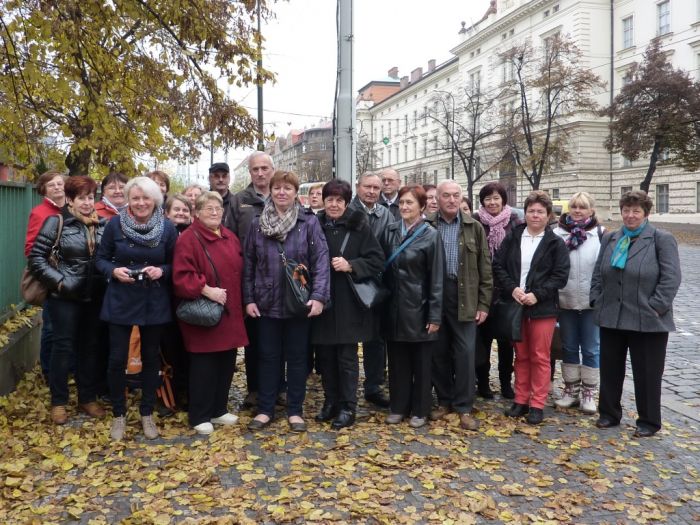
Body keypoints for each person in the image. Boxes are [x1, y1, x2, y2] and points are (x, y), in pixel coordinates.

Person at [244, 170, 330, 432]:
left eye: (288, 188)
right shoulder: (257, 224)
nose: (282, 193)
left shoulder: (308, 222)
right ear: (270, 191)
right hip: (266, 301)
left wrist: (318, 297)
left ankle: (295, 410)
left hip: (298, 301)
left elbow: (321, 261)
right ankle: (266, 409)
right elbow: (248, 264)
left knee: (297, 359)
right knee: (268, 357)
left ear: (296, 193)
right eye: (278, 188)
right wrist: (248, 298)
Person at [591, 190, 681, 438]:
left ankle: (649, 421)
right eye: (626, 210)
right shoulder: (611, 238)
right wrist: (596, 299)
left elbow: (671, 278)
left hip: (648, 318)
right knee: (610, 369)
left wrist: (656, 306)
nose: (630, 216)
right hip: (612, 315)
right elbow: (598, 273)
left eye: (636, 211)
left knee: (648, 372)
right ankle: (609, 414)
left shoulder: (661, 239)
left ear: (646, 213)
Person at [96, 176, 178, 441]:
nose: (141, 203)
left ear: (155, 200)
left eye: (146, 198)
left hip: (153, 300)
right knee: (117, 359)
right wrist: (113, 270)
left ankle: (147, 413)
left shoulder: (167, 228)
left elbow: (176, 264)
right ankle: (119, 414)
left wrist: (161, 270)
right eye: (136, 198)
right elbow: (100, 259)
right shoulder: (114, 224)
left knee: (151, 359)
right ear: (128, 200)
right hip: (121, 298)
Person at [28, 176, 106, 424]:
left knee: (89, 347)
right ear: (70, 200)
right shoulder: (57, 222)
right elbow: (36, 258)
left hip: (93, 297)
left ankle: (87, 397)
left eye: (90, 197)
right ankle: (59, 402)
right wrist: (60, 282)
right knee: (62, 348)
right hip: (64, 298)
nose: (86, 203)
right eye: (81, 198)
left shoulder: (100, 225)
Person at [173, 191, 249, 435]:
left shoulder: (229, 236)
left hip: (230, 311)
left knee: (226, 362)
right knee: (204, 365)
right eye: (209, 209)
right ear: (197, 213)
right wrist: (206, 290)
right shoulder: (189, 238)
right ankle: (199, 414)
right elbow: (181, 276)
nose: (215, 212)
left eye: (218, 208)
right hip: (205, 312)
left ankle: (218, 408)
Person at [311, 180, 384, 429]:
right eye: (329, 199)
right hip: (322, 299)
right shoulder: (315, 224)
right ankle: (330, 402)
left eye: (339, 200)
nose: (333, 204)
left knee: (346, 357)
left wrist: (351, 265)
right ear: (323, 200)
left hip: (348, 302)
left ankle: (348, 407)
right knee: (326, 357)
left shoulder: (359, 224)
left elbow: (376, 260)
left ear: (346, 202)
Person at [493, 190, 569, 425]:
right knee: (521, 355)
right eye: (531, 211)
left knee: (540, 356)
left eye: (540, 212)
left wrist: (538, 294)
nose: (535, 216)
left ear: (548, 216)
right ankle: (520, 399)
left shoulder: (555, 242)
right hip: (516, 304)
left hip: (542, 307)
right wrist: (513, 289)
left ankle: (537, 403)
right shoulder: (514, 236)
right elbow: (498, 266)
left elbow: (560, 275)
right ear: (524, 213)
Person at [426, 180, 492, 431]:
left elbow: (485, 268)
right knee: (438, 352)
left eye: (456, 195)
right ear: (438, 199)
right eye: (446, 196)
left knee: (465, 353)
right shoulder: (427, 225)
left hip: (464, 295)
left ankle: (464, 407)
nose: (452, 200)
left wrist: (484, 304)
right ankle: (444, 401)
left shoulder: (473, 227)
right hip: (436, 296)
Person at [381, 184, 444, 428]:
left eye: (410, 203)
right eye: (402, 203)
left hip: (420, 308)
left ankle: (420, 409)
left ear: (421, 207)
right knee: (397, 362)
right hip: (394, 308)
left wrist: (434, 315)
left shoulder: (430, 235)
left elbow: (436, 278)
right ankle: (398, 406)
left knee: (421, 363)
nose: (404, 207)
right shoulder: (391, 230)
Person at [229, 152, 275, 409]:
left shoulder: (283, 195)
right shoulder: (240, 201)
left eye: (264, 168)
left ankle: (279, 387)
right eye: (255, 169)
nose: (260, 173)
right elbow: (231, 238)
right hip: (252, 279)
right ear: (250, 172)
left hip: (280, 279)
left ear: (272, 170)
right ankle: (255, 389)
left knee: (279, 337)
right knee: (255, 339)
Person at [552, 192, 604, 414]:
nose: (578, 211)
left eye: (583, 207)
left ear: (591, 210)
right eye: (574, 207)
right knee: (569, 346)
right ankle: (570, 389)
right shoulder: (557, 234)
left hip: (591, 302)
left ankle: (589, 392)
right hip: (565, 299)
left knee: (591, 348)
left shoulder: (601, 235)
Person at [347, 172, 395, 408]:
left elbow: (387, 247)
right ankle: (345, 389)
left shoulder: (384, 213)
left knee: (376, 339)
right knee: (347, 339)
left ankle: (374, 386)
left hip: (374, 283)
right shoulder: (347, 210)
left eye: (376, 188)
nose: (372, 191)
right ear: (358, 187)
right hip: (347, 280)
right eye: (368, 186)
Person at [473, 182, 523, 399]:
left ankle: (505, 383)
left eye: (496, 198)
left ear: (504, 200)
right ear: (482, 202)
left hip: (507, 290)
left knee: (505, 343)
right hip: (481, 291)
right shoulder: (475, 222)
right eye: (487, 199)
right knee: (482, 342)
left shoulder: (515, 222)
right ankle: (483, 383)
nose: (492, 202)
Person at [24, 171, 67, 381]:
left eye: (60, 183)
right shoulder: (40, 212)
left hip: (70, 277)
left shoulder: (70, 208)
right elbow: (31, 249)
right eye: (52, 185)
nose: (58, 187)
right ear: (44, 189)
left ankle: (65, 369)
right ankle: (49, 372)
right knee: (51, 327)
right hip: (51, 279)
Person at [208, 162, 236, 231]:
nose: (221, 179)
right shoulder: (202, 202)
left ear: (229, 178)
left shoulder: (236, 202)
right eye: (216, 176)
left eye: (224, 176)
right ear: (209, 178)